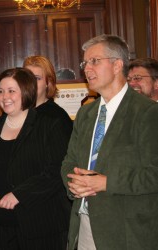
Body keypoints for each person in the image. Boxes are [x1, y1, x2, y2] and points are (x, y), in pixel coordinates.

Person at [61, 34, 158, 250]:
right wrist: (73, 184)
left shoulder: (147, 112)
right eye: (85, 63)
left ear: (117, 65)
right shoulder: (86, 114)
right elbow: (69, 162)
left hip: (128, 232)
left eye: (94, 61)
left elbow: (154, 173)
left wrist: (107, 182)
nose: (87, 69)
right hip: (84, 226)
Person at [0, 67, 72, 250]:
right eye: (1, 91)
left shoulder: (49, 125)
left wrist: (19, 194)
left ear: (27, 91)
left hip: (40, 227)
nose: (4, 96)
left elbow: (57, 170)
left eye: (11, 91)